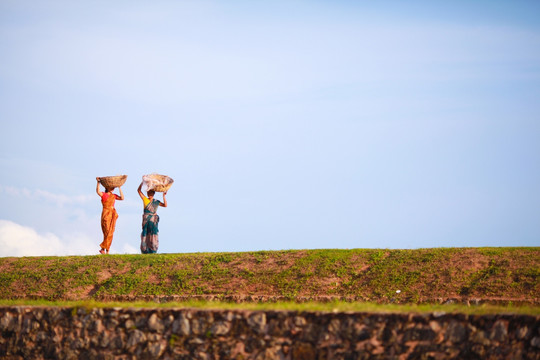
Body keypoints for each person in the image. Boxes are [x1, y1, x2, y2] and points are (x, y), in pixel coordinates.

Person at [96, 177, 124, 254]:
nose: (112, 189)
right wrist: (98, 183)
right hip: (106, 214)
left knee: (111, 232)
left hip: (112, 214)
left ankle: (106, 250)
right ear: (107, 188)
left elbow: (122, 198)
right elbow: (98, 191)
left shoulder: (114, 195)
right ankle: (104, 249)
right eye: (111, 187)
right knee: (107, 232)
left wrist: (119, 188)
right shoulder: (104, 194)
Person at [138, 181, 167, 254]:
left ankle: (153, 249)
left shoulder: (156, 202)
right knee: (145, 233)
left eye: (151, 193)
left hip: (153, 220)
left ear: (153, 194)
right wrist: (142, 182)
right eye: (149, 193)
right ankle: (145, 249)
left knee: (153, 233)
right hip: (146, 219)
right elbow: (138, 191)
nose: (150, 194)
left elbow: (165, 205)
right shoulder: (145, 199)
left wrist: (164, 196)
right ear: (147, 193)